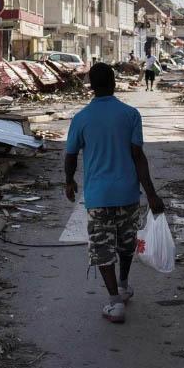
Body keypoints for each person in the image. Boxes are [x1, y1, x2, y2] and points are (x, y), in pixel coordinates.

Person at [64, 62, 165, 324]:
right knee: (125, 243)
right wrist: (151, 194)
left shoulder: (81, 118)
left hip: (98, 196)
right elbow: (138, 157)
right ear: (114, 83)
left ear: (91, 86)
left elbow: (71, 155)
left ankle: (114, 302)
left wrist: (69, 181)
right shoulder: (130, 115)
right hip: (128, 193)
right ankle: (123, 285)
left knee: (101, 248)